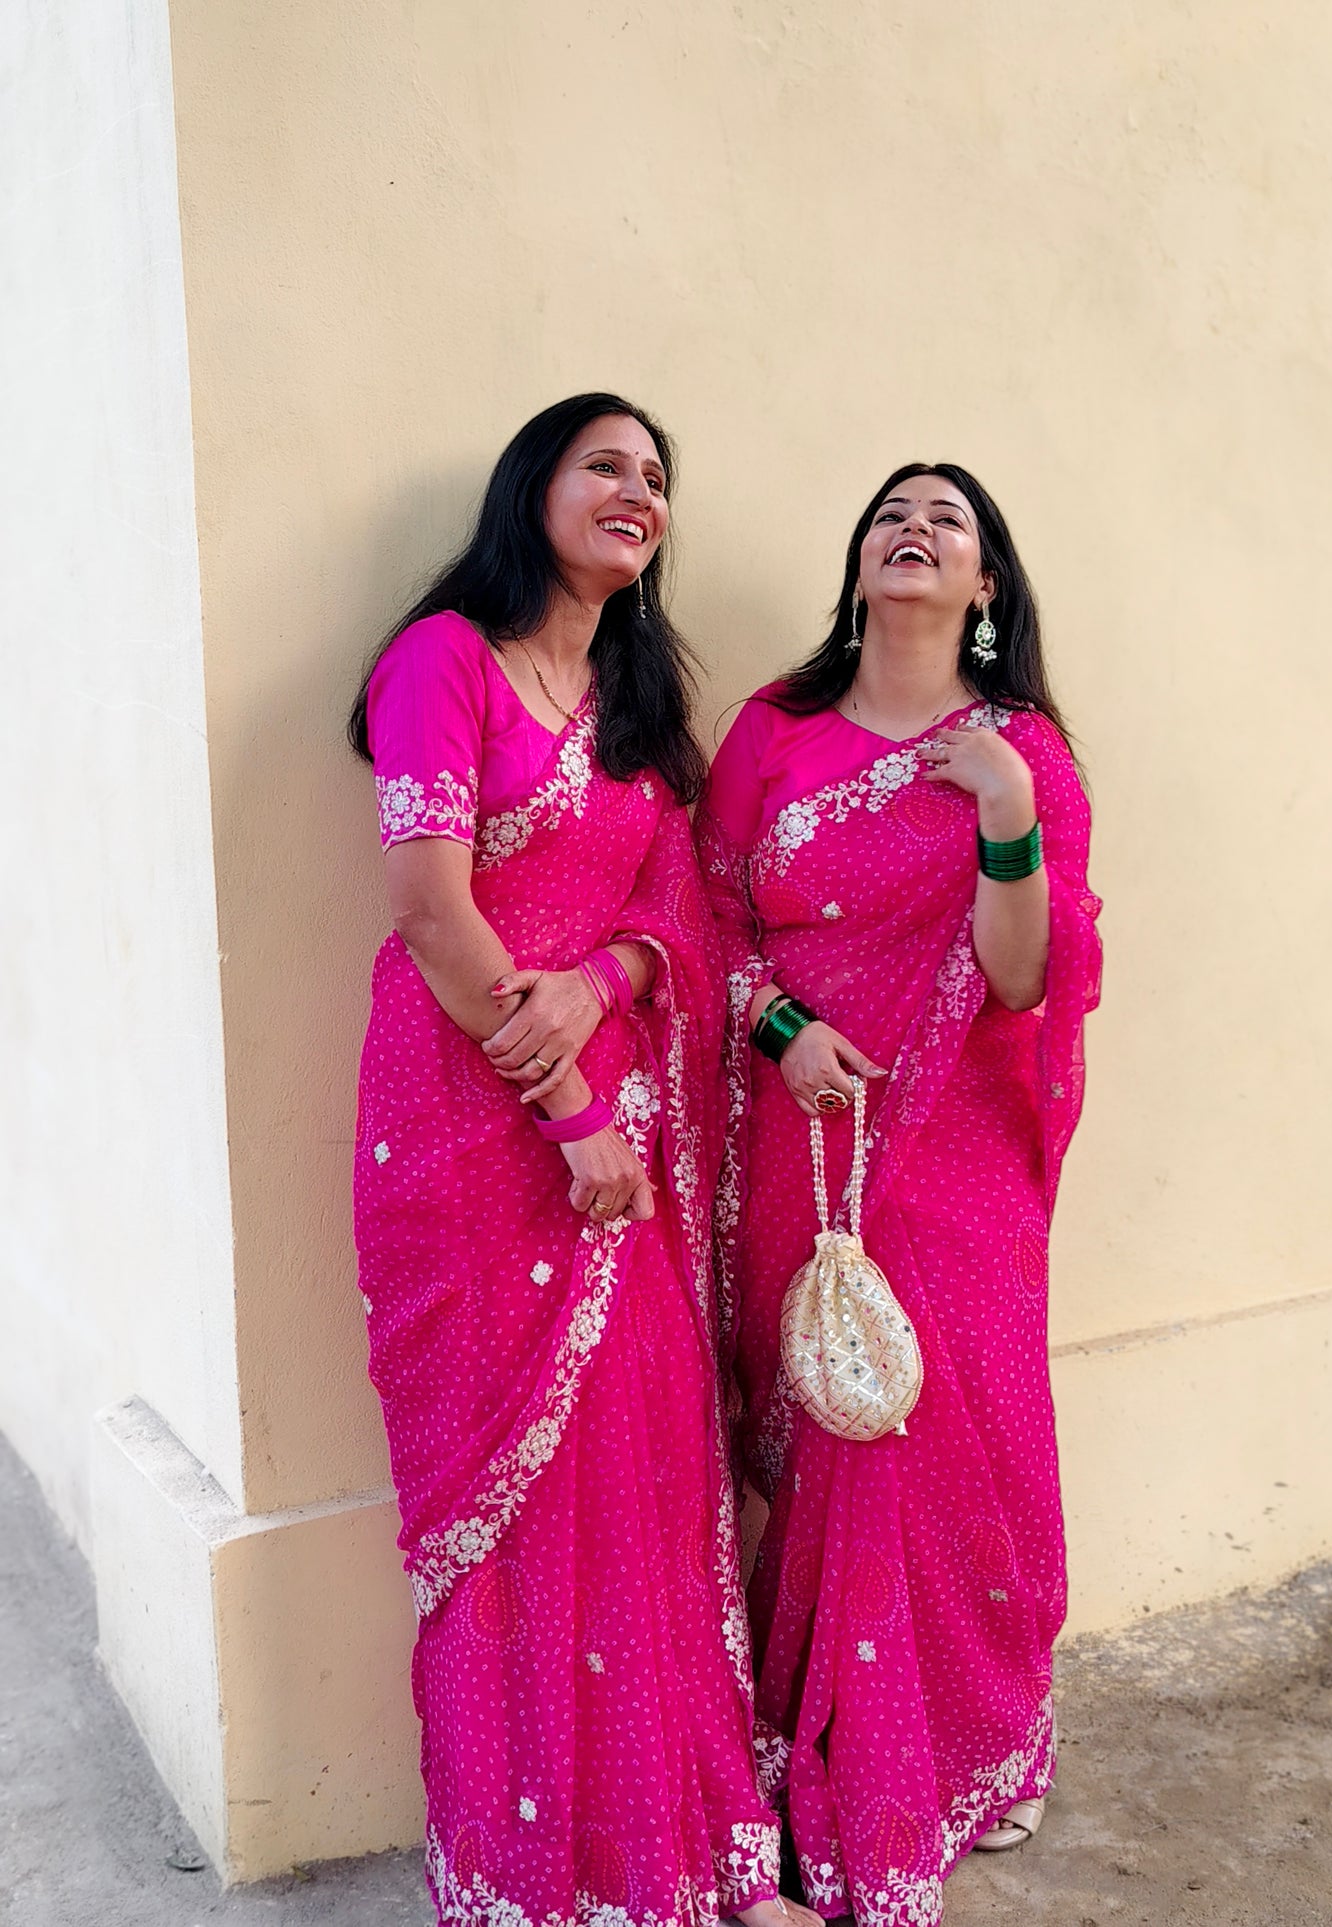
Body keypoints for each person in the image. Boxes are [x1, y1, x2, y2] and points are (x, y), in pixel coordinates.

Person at [348, 394, 818, 1927]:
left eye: (657, 477)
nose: (637, 490)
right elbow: (431, 906)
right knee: (519, 1498)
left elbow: (666, 914)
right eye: (604, 464)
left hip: (619, 1127)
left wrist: (609, 983)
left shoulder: (627, 705)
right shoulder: (443, 664)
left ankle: (680, 1847)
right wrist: (566, 1110)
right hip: (478, 1128)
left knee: (641, 1469)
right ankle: (538, 1868)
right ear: (529, 489)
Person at [696, 463, 1102, 1927]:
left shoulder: (1021, 751)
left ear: (985, 584)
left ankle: (971, 1745)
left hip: (948, 1160)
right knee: (820, 1431)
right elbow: (704, 917)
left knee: (941, 1432)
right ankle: (825, 1746)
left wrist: (1003, 813)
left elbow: (1020, 979)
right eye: (889, 514)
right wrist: (780, 1030)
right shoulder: (772, 733)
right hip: (793, 1136)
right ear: (858, 563)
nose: (912, 529)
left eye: (948, 520)